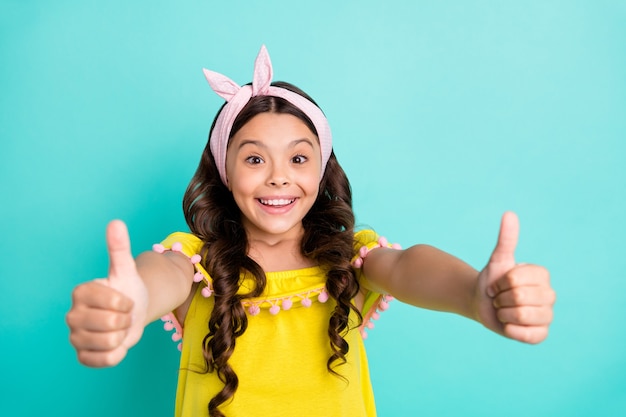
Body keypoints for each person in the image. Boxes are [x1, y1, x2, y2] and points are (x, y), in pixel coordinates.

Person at [66, 45, 555, 417]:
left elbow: (407, 266)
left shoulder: (349, 260)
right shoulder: (196, 263)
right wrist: (129, 305)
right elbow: (161, 276)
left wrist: (472, 293)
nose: (279, 176)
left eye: (299, 158)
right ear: (225, 173)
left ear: (321, 172)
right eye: (255, 158)